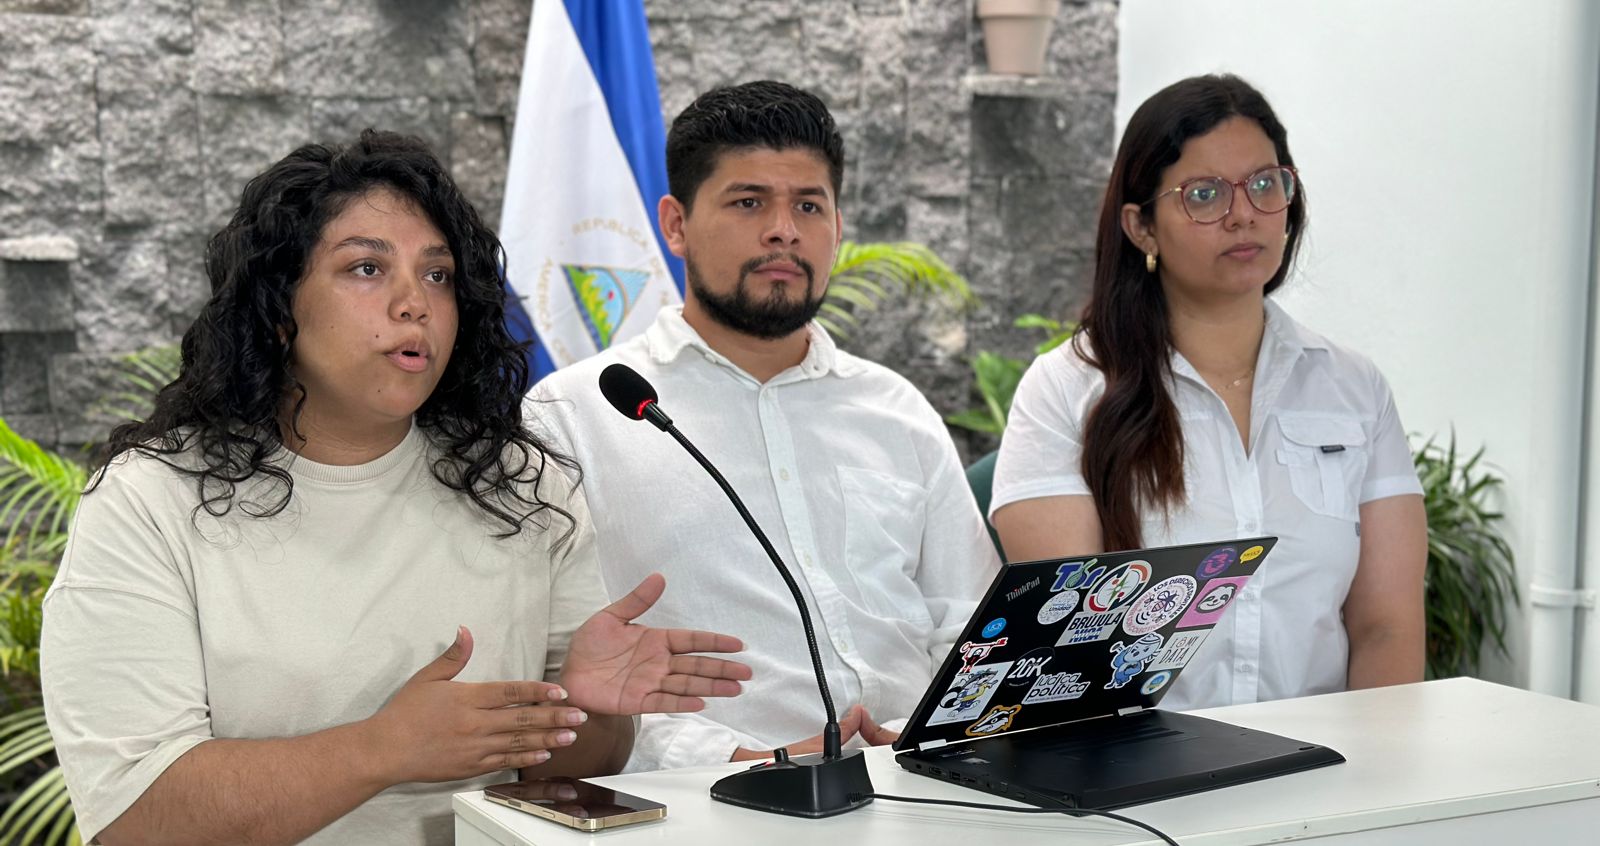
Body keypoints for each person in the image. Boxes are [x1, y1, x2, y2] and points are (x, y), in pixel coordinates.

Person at [40, 131, 751, 846]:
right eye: (366, 268)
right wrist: (383, 749)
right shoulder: (150, 498)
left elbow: (575, 769)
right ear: (279, 307)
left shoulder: (517, 483)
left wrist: (587, 709)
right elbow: (137, 820)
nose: (415, 303)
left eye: (438, 276)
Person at [532, 81, 1001, 770]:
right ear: (675, 224)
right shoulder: (575, 416)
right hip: (705, 803)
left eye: (808, 205)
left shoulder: (895, 410)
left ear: (838, 226)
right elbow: (561, 668)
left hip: (924, 783)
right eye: (749, 202)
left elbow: (970, 622)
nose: (784, 228)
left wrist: (933, 733)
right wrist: (750, 759)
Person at [991, 74, 1427, 711]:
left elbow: (1385, 627)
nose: (1243, 213)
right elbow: (1073, 651)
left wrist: (1374, 783)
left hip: (1324, 769)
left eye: (1264, 184)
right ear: (1142, 228)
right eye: (1203, 195)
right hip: (1141, 781)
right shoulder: (1066, 390)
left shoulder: (1353, 389)